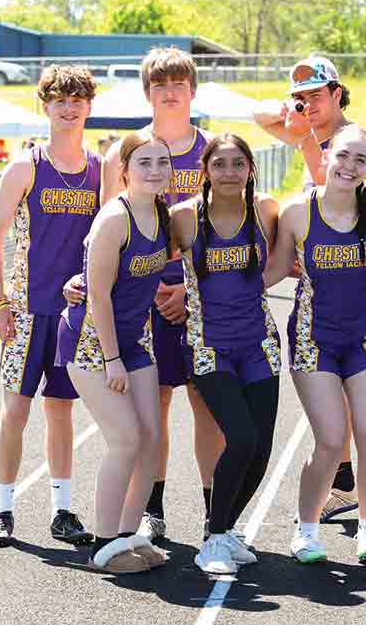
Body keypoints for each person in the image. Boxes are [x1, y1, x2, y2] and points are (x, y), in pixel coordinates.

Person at [254, 57, 366, 531]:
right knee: (335, 402)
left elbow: (330, 179)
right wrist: (296, 115)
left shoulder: (357, 142)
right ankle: (343, 483)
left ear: (339, 92)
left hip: (360, 283)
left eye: (317, 95)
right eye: (301, 98)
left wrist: (303, 133)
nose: (309, 105)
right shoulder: (309, 132)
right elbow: (259, 115)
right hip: (317, 280)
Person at [91, 47, 221, 542]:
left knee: (206, 403)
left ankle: (214, 512)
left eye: (179, 84)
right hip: (140, 299)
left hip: (202, 296)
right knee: (155, 408)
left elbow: (225, 229)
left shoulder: (212, 150)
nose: (170, 93)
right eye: (159, 85)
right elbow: (107, 229)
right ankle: (153, 509)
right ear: (147, 92)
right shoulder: (122, 154)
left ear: (192, 91)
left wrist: (191, 289)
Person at [0, 65, 99, 548]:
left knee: (61, 411)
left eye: (77, 100)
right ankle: (3, 509)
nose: (69, 108)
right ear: (45, 106)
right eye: (59, 101)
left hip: (74, 315)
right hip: (27, 312)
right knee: (15, 412)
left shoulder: (101, 168)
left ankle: (62, 510)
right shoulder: (25, 167)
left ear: (89, 106)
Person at [56, 131, 171, 574]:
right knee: (125, 439)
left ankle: (126, 534)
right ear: (124, 169)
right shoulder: (113, 219)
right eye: (145, 162)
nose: (155, 170)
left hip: (135, 339)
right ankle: (102, 546)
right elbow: (98, 297)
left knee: (152, 440)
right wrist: (111, 360)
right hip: (92, 343)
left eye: (163, 162)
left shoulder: (161, 214)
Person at [169, 134, 281, 574]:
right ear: (206, 169)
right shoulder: (183, 218)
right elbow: (139, 255)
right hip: (209, 345)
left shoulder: (266, 211)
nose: (230, 172)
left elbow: (292, 257)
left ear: (250, 168)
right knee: (242, 438)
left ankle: (226, 528)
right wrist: (81, 284)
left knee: (262, 448)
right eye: (221, 164)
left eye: (239, 163)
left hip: (260, 342)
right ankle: (212, 538)